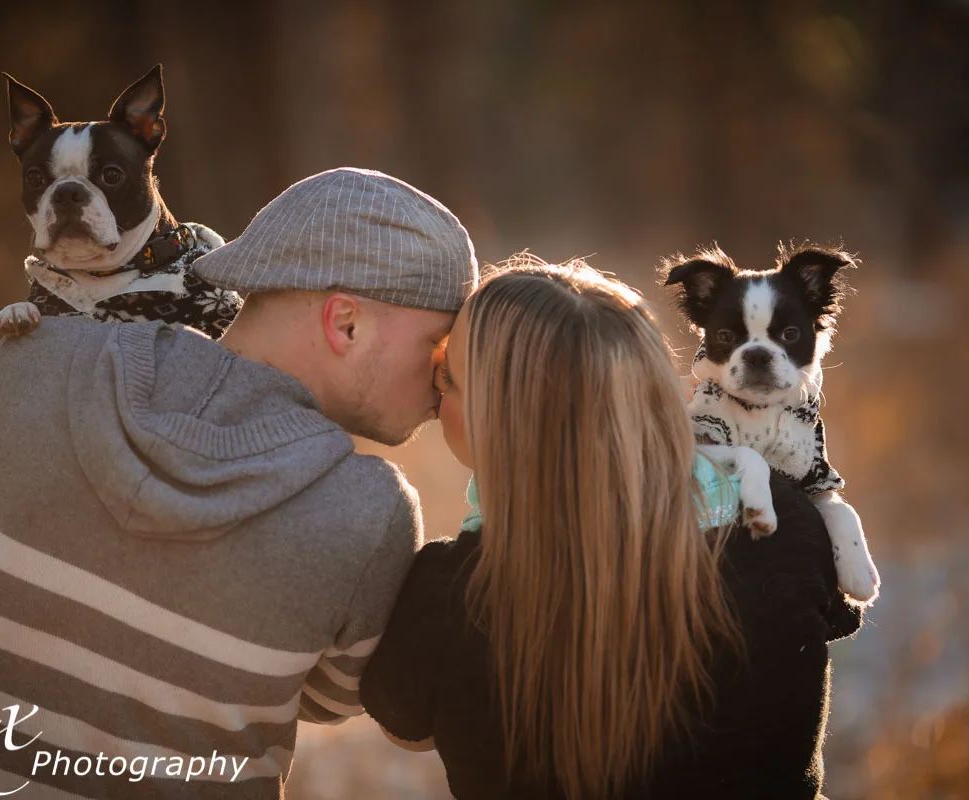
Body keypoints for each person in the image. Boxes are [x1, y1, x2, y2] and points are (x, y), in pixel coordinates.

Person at [0, 167, 478, 799]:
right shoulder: (369, 513)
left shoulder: (23, 363)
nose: (445, 376)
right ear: (345, 323)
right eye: (438, 344)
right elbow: (324, 699)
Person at [361, 259, 865, 800]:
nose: (436, 399)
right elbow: (831, 619)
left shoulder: (447, 593)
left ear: (504, 414)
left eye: (449, 378)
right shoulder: (785, 528)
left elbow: (406, 725)